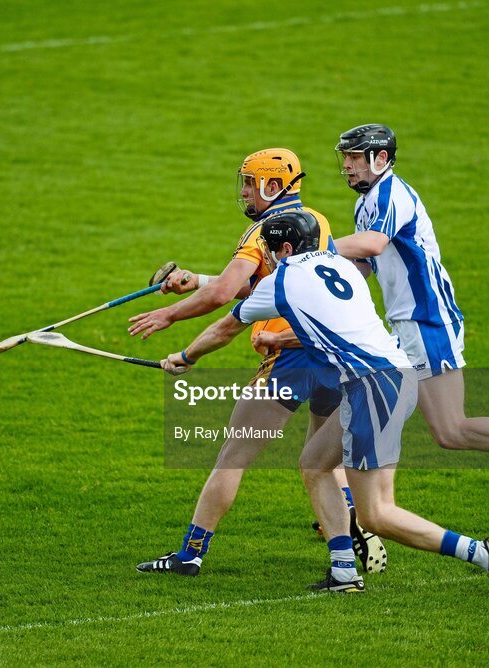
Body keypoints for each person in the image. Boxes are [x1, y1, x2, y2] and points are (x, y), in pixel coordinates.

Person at [159, 210, 489, 594]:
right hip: (396, 377)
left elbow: (224, 329)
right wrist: (279, 340)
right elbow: (332, 327)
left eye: (269, 251)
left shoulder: (282, 280)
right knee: (315, 465)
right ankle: (343, 573)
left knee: (377, 514)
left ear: (286, 248)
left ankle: (483, 554)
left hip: (372, 388)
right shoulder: (342, 266)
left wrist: (183, 358)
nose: (266, 261)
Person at [131, 148, 386, 580]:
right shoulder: (315, 222)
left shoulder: (261, 232)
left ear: (273, 185)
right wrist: (199, 279)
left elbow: (228, 298)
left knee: (233, 457)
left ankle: (190, 554)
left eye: (251, 182)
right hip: (333, 355)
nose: (245, 191)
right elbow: (259, 283)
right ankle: (351, 528)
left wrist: (172, 323)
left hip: (286, 359)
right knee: (322, 458)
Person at [320, 124, 489, 504]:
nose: (346, 165)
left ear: (380, 159)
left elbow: (374, 244)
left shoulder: (391, 194)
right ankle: (353, 506)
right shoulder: (366, 202)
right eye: (345, 157)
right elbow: (364, 264)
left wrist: (317, 247)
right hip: (405, 324)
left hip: (427, 321)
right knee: (381, 409)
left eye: (353, 157)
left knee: (451, 430)